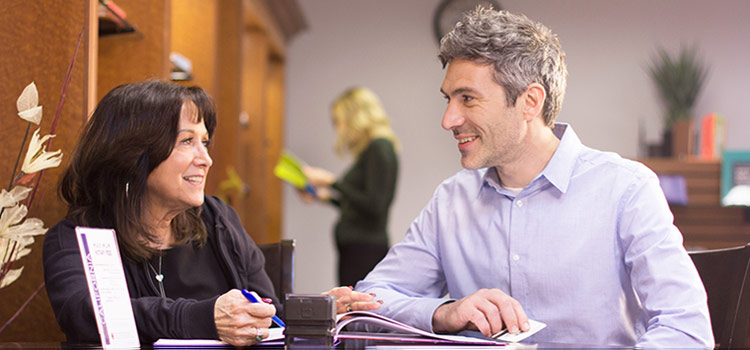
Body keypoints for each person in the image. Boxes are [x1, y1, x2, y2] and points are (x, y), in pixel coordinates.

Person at [355, 7, 713, 348]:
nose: (448, 120)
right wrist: (444, 312)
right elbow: (370, 300)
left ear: (530, 101)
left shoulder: (626, 189)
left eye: (468, 98)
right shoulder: (451, 201)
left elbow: (686, 328)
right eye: (449, 99)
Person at [43, 80, 380, 346]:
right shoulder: (77, 238)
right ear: (133, 154)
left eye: (205, 142)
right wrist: (205, 318)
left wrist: (311, 312)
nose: (206, 159)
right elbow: (85, 316)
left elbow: (268, 312)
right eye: (187, 141)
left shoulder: (218, 219)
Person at [301, 87, 399, 287]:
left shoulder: (380, 148)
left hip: (364, 252)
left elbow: (375, 205)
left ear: (355, 117)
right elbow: (360, 204)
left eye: (338, 121)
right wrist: (326, 197)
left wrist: (332, 182)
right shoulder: (371, 150)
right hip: (356, 250)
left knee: (357, 313)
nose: (338, 129)